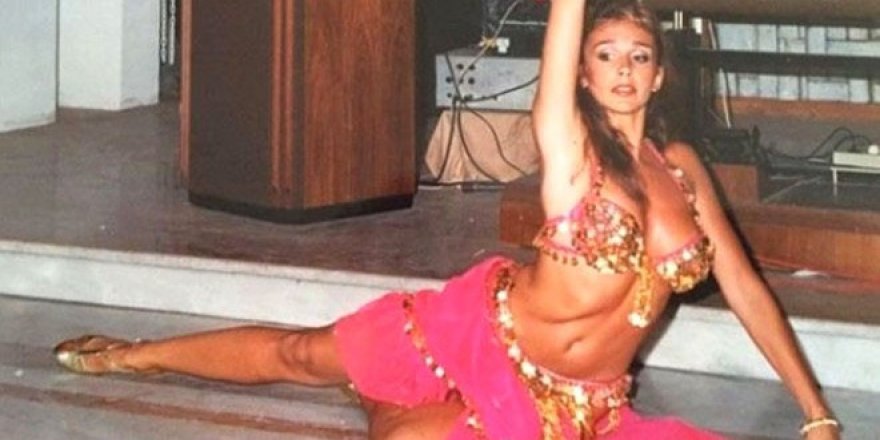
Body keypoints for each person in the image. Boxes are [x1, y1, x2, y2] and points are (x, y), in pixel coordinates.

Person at [54, 0, 840, 438]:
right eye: (606, 55)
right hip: (474, 335)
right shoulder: (570, 150)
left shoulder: (684, 171)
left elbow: (747, 291)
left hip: (582, 405)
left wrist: (817, 416)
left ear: (661, 73)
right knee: (304, 354)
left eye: (639, 55)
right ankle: (134, 357)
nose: (624, 70)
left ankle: (382, 402)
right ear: (581, 74)